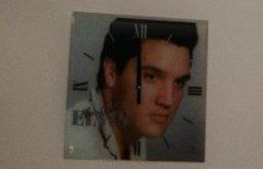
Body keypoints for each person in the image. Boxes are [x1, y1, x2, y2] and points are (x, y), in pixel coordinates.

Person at [65, 17, 198, 160]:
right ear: (111, 73)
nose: (168, 101)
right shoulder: (77, 143)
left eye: (179, 82)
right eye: (151, 76)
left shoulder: (132, 129)